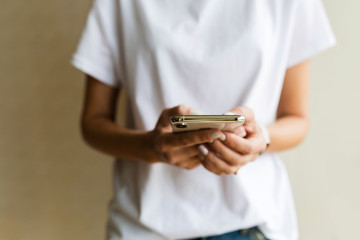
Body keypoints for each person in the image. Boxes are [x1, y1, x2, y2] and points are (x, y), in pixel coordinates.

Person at [72, 0, 335, 239]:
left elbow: (297, 119)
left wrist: (259, 140)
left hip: (250, 223)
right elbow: (93, 122)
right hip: (144, 226)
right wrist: (150, 147)